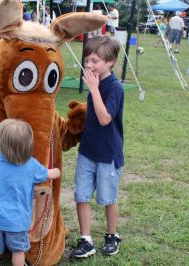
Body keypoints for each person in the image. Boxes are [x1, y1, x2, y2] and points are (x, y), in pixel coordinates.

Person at [70, 35, 124, 259]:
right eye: (87, 60)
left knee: (108, 198)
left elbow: (104, 119)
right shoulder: (96, 81)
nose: (89, 65)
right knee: (81, 196)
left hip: (107, 154)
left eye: (94, 61)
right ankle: (86, 240)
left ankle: (112, 236)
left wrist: (93, 89)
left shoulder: (114, 88)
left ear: (110, 62)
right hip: (87, 151)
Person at [0, 118, 61, 266]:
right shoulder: (31, 165)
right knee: (18, 251)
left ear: (1, 144)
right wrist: (57, 170)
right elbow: (49, 174)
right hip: (17, 222)